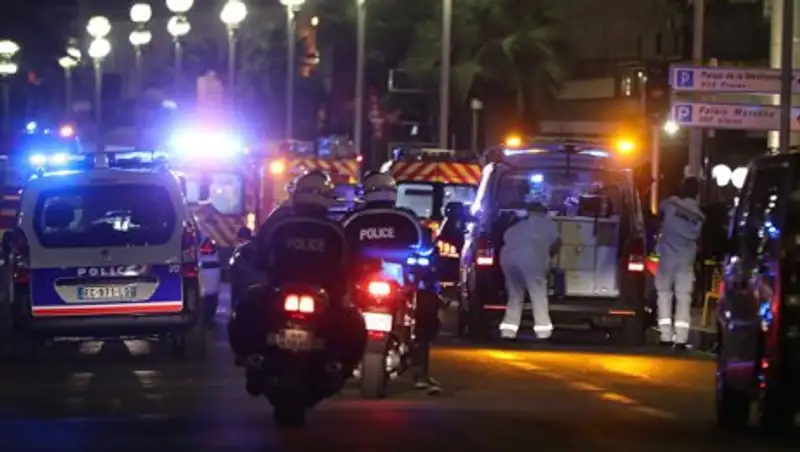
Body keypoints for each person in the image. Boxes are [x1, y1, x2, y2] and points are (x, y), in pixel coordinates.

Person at [230, 170, 366, 395]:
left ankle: (252, 355)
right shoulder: (334, 231)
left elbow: (260, 254)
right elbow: (349, 263)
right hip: (318, 296)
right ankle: (337, 362)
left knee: (247, 308)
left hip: (283, 290)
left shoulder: (279, 226)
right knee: (352, 321)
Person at [342, 171, 443, 394]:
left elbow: (339, 248)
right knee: (424, 317)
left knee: (423, 312)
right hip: (389, 284)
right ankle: (420, 375)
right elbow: (425, 247)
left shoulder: (353, 219)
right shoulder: (406, 218)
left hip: (370, 286)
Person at [498, 195, 562, 341]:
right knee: (538, 295)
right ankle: (543, 332)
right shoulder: (547, 223)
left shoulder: (519, 224)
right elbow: (557, 242)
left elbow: (506, 238)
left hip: (508, 259)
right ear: (543, 212)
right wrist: (548, 256)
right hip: (531, 261)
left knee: (515, 295)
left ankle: (508, 331)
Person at [655, 176, 705, 350]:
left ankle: (665, 335)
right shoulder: (698, 217)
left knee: (664, 295)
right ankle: (682, 338)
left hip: (667, 259)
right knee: (684, 298)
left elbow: (660, 208)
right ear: (697, 193)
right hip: (685, 262)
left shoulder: (671, 206)